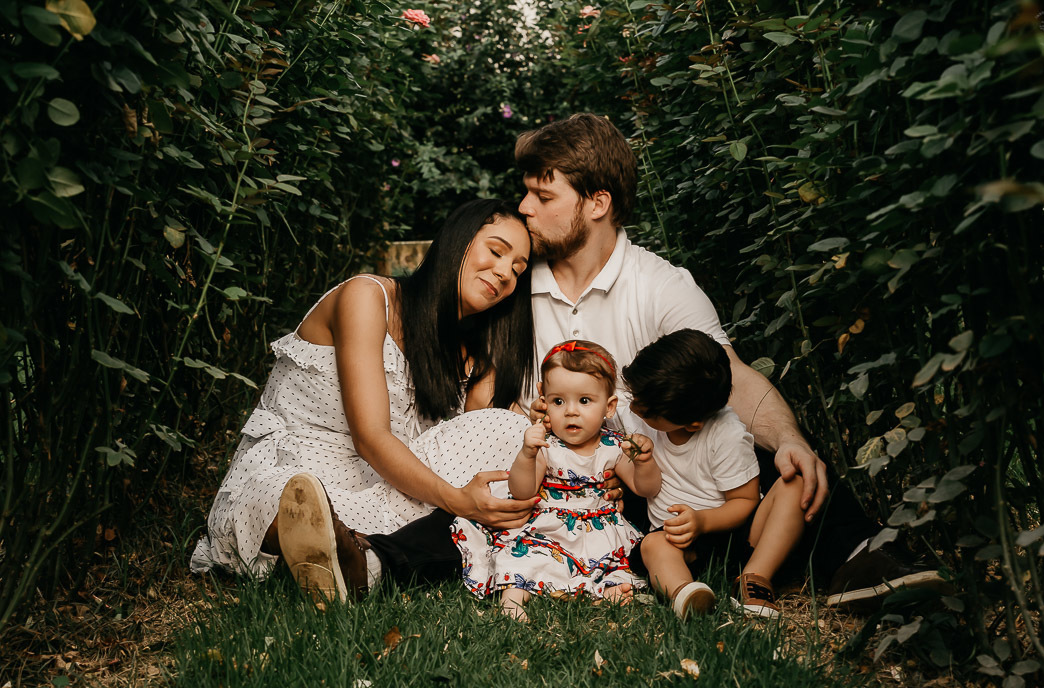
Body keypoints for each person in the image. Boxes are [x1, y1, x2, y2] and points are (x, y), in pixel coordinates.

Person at [516, 113, 936, 607]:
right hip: (560, 473)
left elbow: (729, 377)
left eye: (543, 197)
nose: (524, 207)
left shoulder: (661, 285)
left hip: (650, 469)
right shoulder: (516, 283)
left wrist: (789, 440)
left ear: (598, 203)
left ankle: (858, 559)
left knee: (761, 449)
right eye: (527, 193)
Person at [190, 199, 541, 602]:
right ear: (456, 242)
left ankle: (358, 556)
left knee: (512, 431)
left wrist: (525, 429)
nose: (504, 273)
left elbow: (483, 454)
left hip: (385, 492)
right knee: (289, 497)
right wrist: (460, 501)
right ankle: (344, 547)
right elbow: (371, 438)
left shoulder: (471, 357)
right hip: (300, 471)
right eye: (496, 252)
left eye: (517, 270)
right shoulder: (368, 296)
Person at [450, 340, 660, 620]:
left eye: (584, 401)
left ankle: (606, 592)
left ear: (609, 407)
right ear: (544, 399)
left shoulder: (615, 446)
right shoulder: (546, 445)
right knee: (525, 556)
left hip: (599, 530)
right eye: (559, 401)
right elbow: (522, 491)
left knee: (614, 566)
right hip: (549, 527)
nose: (571, 411)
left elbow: (645, 488)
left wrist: (644, 462)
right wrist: (527, 453)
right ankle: (513, 600)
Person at [623, 329, 809, 620]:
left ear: (693, 423)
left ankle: (756, 575)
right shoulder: (648, 406)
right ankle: (685, 591)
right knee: (653, 544)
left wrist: (702, 520)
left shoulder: (726, 435)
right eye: (635, 398)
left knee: (795, 482)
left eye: (645, 410)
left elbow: (745, 501)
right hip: (679, 542)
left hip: (735, 532)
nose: (633, 408)